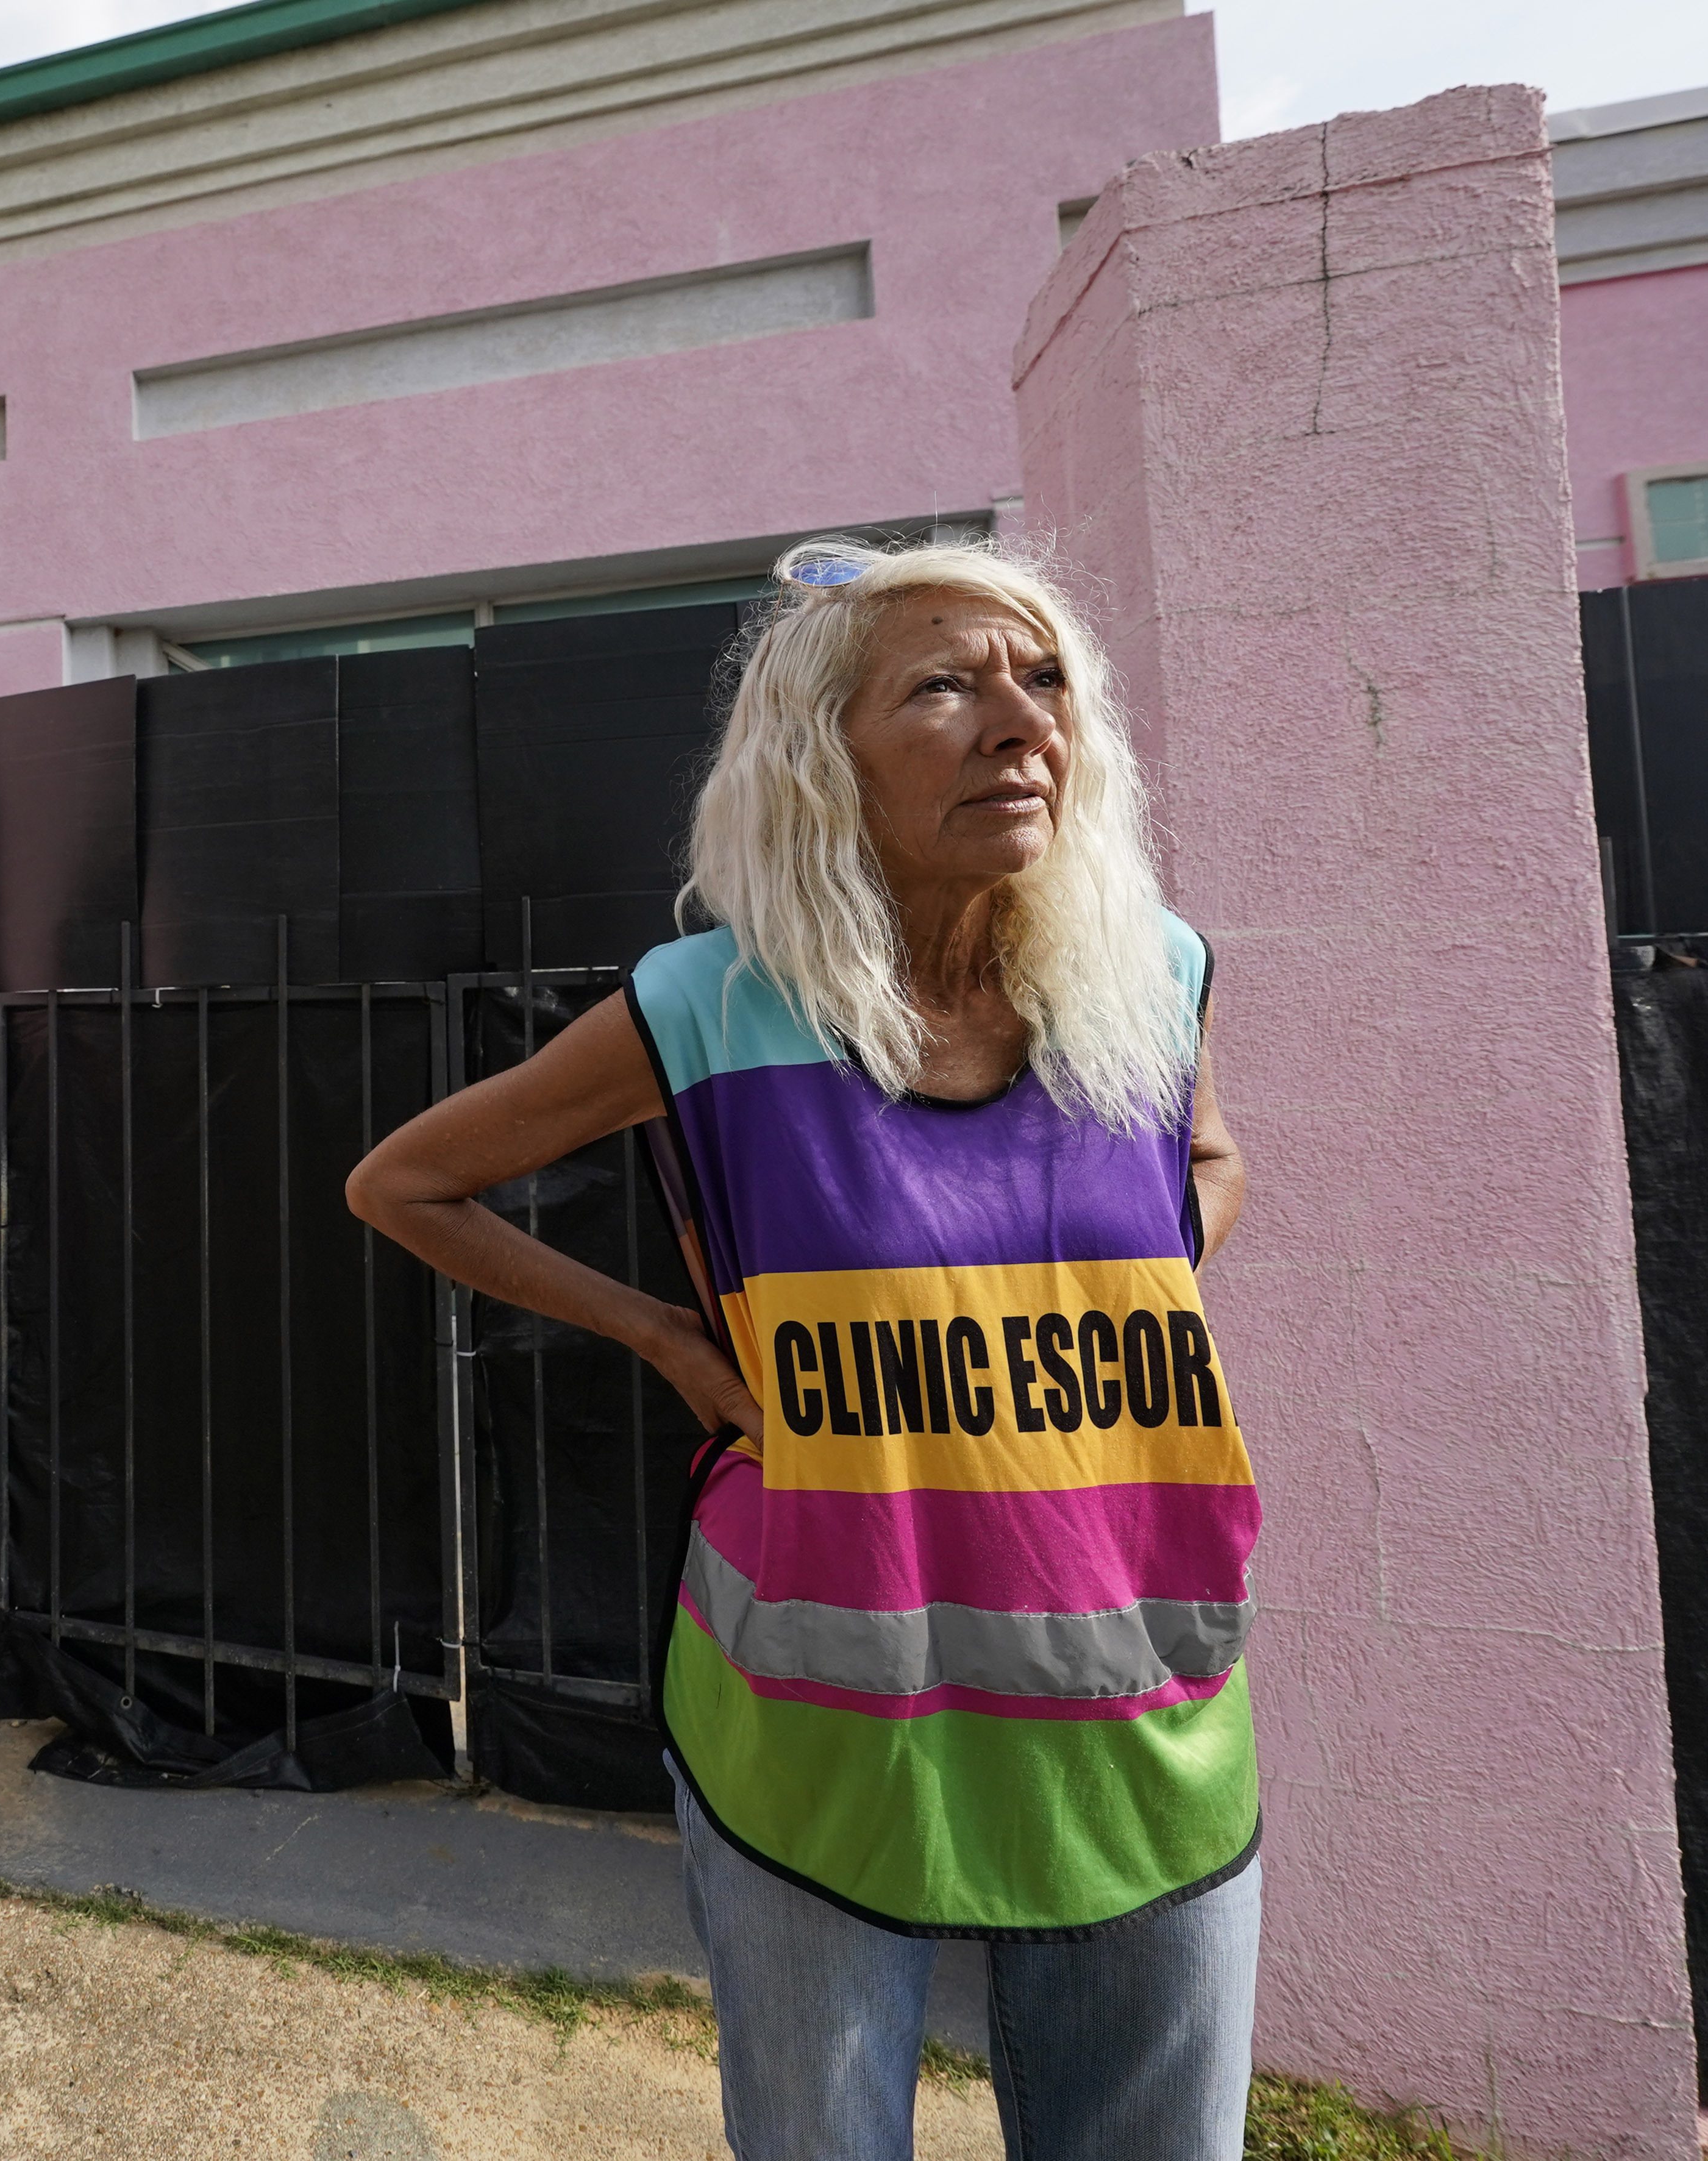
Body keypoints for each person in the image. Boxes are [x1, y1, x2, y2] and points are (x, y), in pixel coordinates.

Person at [345, 538, 1259, 2161]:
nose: (1020, 722)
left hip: (1137, 1691)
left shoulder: (1152, 972)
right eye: (945, 686)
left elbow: (1204, 1157)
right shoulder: (709, 1008)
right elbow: (403, 1184)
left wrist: (1103, 1293)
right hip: (825, 1717)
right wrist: (659, 1334)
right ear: (820, 757)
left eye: (1046, 679)